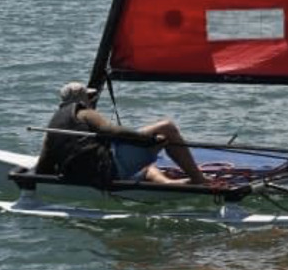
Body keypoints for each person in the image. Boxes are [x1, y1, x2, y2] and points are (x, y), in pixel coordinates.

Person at [35, 81, 215, 190]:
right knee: (166, 127)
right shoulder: (83, 112)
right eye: (89, 97)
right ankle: (199, 180)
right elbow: (112, 131)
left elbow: (43, 167)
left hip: (83, 176)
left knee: (148, 169)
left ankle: (168, 185)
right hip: (109, 170)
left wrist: (40, 181)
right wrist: (149, 141)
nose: (91, 101)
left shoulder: (52, 126)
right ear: (81, 98)